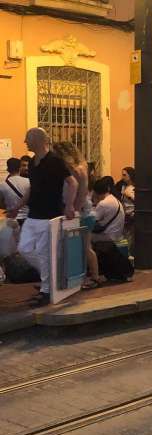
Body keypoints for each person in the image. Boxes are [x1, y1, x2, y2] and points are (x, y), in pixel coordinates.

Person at [8, 128, 78, 306]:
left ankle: (46, 290)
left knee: (42, 252)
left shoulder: (55, 160)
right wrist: (18, 206)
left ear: (38, 140)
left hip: (49, 215)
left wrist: (69, 205)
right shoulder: (32, 162)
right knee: (24, 249)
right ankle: (51, 278)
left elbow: (73, 183)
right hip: (33, 214)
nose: (25, 142)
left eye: (27, 138)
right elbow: (32, 189)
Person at [53, 141, 100, 290]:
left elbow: (82, 193)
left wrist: (75, 211)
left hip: (81, 213)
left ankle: (94, 277)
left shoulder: (78, 169)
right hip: (81, 211)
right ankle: (85, 277)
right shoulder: (76, 167)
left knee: (85, 247)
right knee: (83, 247)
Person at [90, 178, 132, 282]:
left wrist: (94, 202)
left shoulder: (103, 204)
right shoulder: (114, 199)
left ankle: (92, 274)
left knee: (84, 241)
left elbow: (92, 220)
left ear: (95, 192)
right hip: (116, 234)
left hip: (107, 236)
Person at [0, 158, 30, 228]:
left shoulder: (2, 185)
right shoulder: (29, 182)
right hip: (27, 218)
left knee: (12, 238)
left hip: (12, 219)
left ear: (8, 169)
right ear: (19, 168)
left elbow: (0, 203)